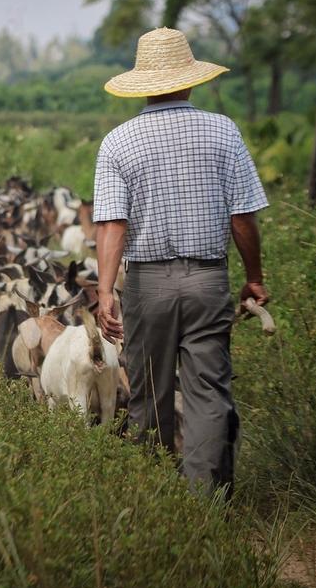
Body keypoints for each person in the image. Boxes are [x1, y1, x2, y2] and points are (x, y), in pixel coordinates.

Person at [93, 27, 269, 500]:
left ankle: (155, 504)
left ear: (144, 85)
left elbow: (112, 225)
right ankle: (204, 506)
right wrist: (254, 278)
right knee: (209, 395)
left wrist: (105, 292)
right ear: (191, 81)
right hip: (208, 280)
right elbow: (242, 219)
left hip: (146, 288)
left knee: (148, 394)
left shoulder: (117, 142)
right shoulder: (223, 130)